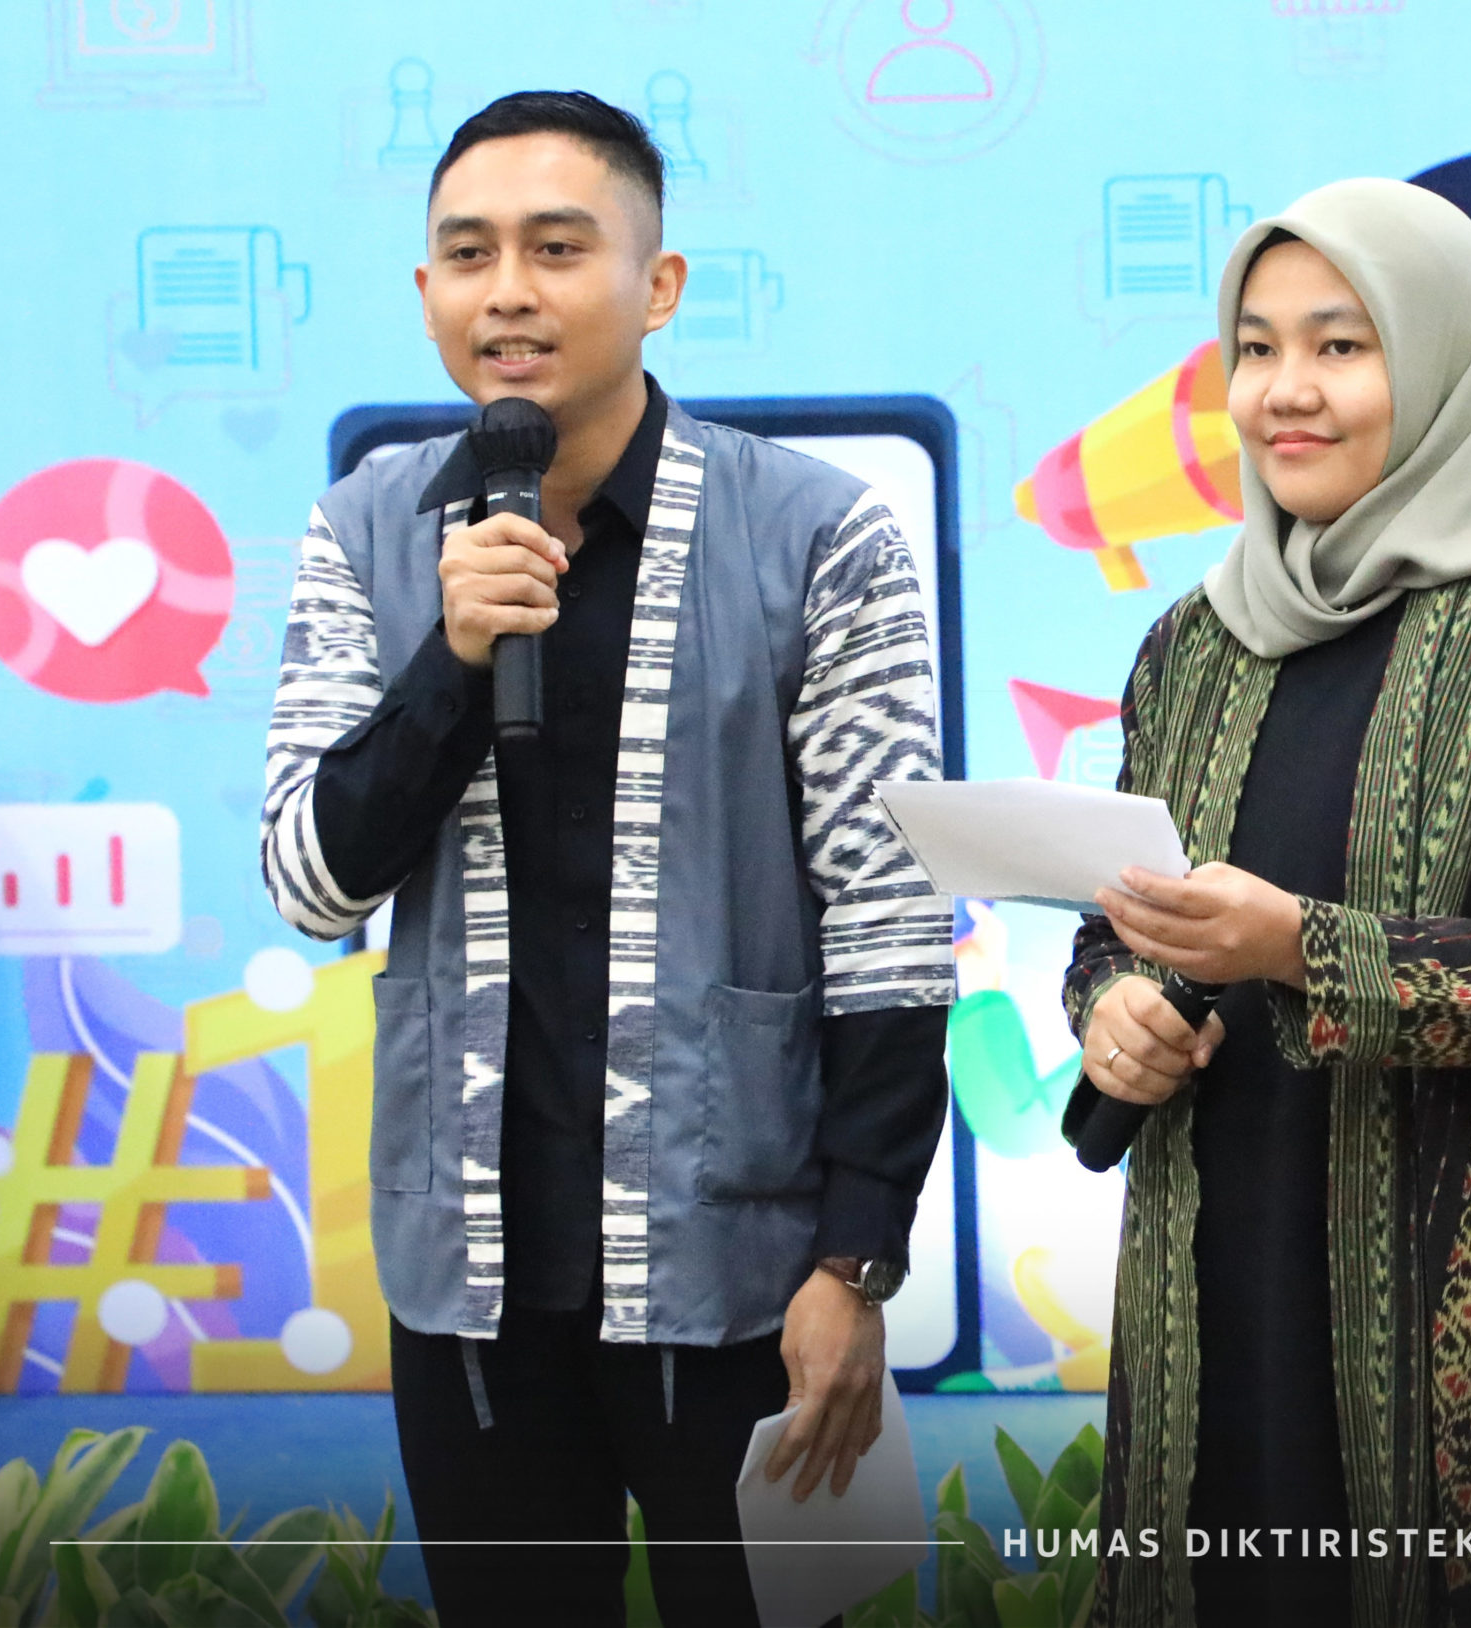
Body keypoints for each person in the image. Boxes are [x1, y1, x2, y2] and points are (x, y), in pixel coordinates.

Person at [259, 91, 952, 1625]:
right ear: (426, 294)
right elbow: (311, 882)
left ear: (659, 284)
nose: (508, 291)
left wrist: (857, 1262)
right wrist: (451, 661)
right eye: (469, 254)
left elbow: (890, 919)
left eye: (557, 248)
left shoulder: (821, 535)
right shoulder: (364, 530)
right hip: (470, 1283)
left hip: (747, 1262)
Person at [1061, 178, 1471, 1627]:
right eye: (1256, 349)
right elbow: (1122, 915)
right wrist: (1113, 1007)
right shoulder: (1194, 645)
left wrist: (1300, 949)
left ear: (1449, 363)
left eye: (1342, 346)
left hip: (1466, 1305)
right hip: (1219, 1262)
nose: (1287, 391)